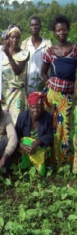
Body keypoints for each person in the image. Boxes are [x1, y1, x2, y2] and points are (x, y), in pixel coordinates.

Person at [41, 14, 77, 166]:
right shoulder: (50, 52)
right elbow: (43, 72)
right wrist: (49, 82)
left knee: (66, 128)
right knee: (52, 127)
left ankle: (65, 162)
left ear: (68, 30)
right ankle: (50, 160)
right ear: (54, 32)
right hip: (52, 96)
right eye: (58, 30)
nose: (61, 32)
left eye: (64, 30)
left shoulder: (75, 49)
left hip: (68, 95)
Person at [15, 92, 53, 175]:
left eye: (38, 107)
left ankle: (38, 164)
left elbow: (50, 136)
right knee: (25, 141)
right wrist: (21, 145)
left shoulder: (47, 117)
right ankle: (26, 162)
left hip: (40, 147)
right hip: (25, 146)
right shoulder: (22, 116)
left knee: (40, 173)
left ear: (42, 107)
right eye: (33, 107)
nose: (35, 110)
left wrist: (37, 143)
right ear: (29, 107)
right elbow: (15, 135)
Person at [1, 24, 30, 124]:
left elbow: (18, 71)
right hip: (5, 94)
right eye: (12, 37)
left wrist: (9, 56)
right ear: (8, 38)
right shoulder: (1, 54)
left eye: (17, 37)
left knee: (16, 122)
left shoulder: (24, 54)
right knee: (3, 122)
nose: (15, 40)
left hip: (18, 94)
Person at [21, 17, 52, 94]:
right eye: (32, 25)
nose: (34, 27)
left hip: (43, 87)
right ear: (29, 27)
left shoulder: (47, 44)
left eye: (37, 25)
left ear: (40, 27)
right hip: (28, 87)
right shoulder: (25, 44)